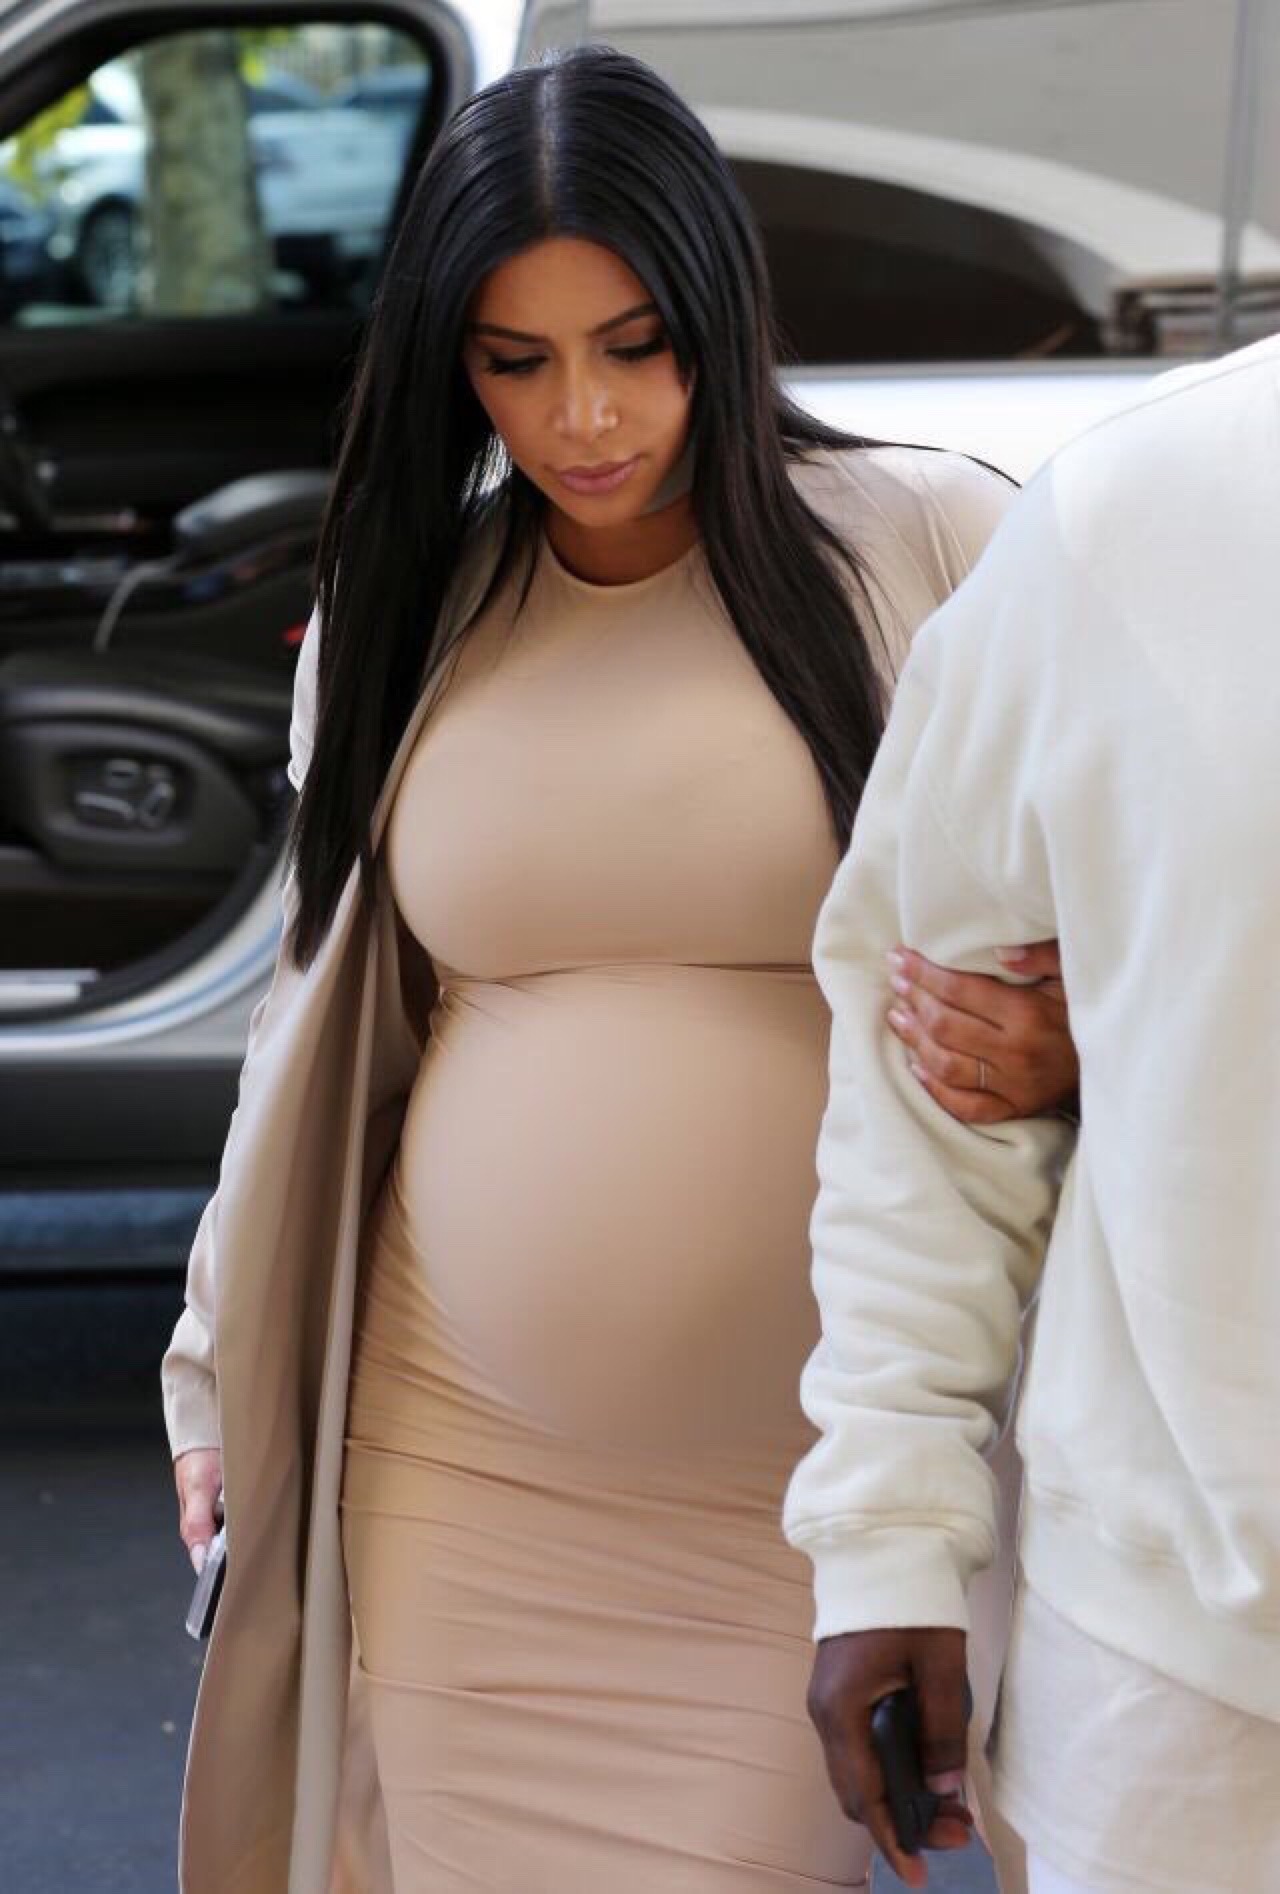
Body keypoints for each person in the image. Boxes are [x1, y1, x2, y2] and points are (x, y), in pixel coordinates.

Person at [163, 44, 1079, 1893]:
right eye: (517, 359)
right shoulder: (411, 602)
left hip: (817, 1505)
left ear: (722, 321)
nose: (582, 415)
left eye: (633, 344)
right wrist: (215, 1368)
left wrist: (1079, 1045)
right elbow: (315, 1019)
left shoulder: (930, 546)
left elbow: (1181, 932)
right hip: (462, 1467)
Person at [783, 331, 1280, 1893]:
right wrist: (886, 1528)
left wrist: (1127, 1036)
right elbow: (928, 1077)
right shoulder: (1130, 515)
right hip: (1177, 1653)